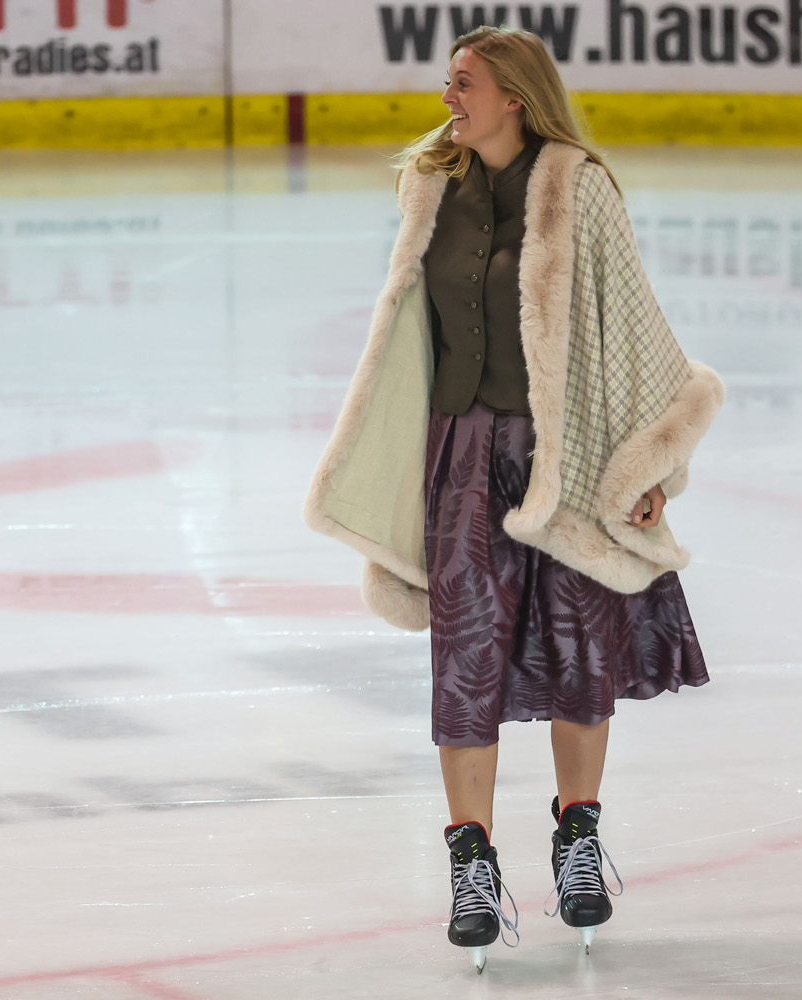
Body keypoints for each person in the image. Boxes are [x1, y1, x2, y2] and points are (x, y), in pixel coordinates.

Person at [303, 25, 725, 972]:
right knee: (465, 657)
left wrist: (650, 468)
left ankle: (578, 838)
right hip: (460, 457)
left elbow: (633, 330)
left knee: (578, 647)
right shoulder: (429, 186)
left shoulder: (581, 188)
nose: (447, 96)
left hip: (565, 458)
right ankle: (471, 862)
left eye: (464, 82)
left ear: (515, 99)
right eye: (449, 80)